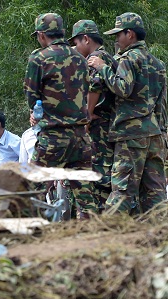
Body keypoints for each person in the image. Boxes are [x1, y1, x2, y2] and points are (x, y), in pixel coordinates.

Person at [88, 12, 167, 213]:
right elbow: (162, 104)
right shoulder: (158, 63)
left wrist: (103, 67)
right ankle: (159, 237)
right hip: (155, 134)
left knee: (122, 190)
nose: (116, 39)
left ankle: (106, 236)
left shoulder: (128, 59)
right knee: (155, 192)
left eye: (118, 34)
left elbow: (122, 88)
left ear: (129, 34)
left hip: (131, 135)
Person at [25, 13, 98, 219]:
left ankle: (30, 236)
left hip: (52, 138)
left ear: (41, 35)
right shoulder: (81, 59)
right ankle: (96, 238)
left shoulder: (39, 58)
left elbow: (32, 97)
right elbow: (86, 91)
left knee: (32, 189)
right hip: (80, 137)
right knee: (85, 196)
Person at [68, 19, 117, 210]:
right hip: (108, 124)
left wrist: (86, 116)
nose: (75, 46)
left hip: (100, 127)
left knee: (101, 176)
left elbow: (94, 86)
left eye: (76, 42)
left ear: (86, 39)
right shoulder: (108, 57)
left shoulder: (96, 58)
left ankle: (104, 216)